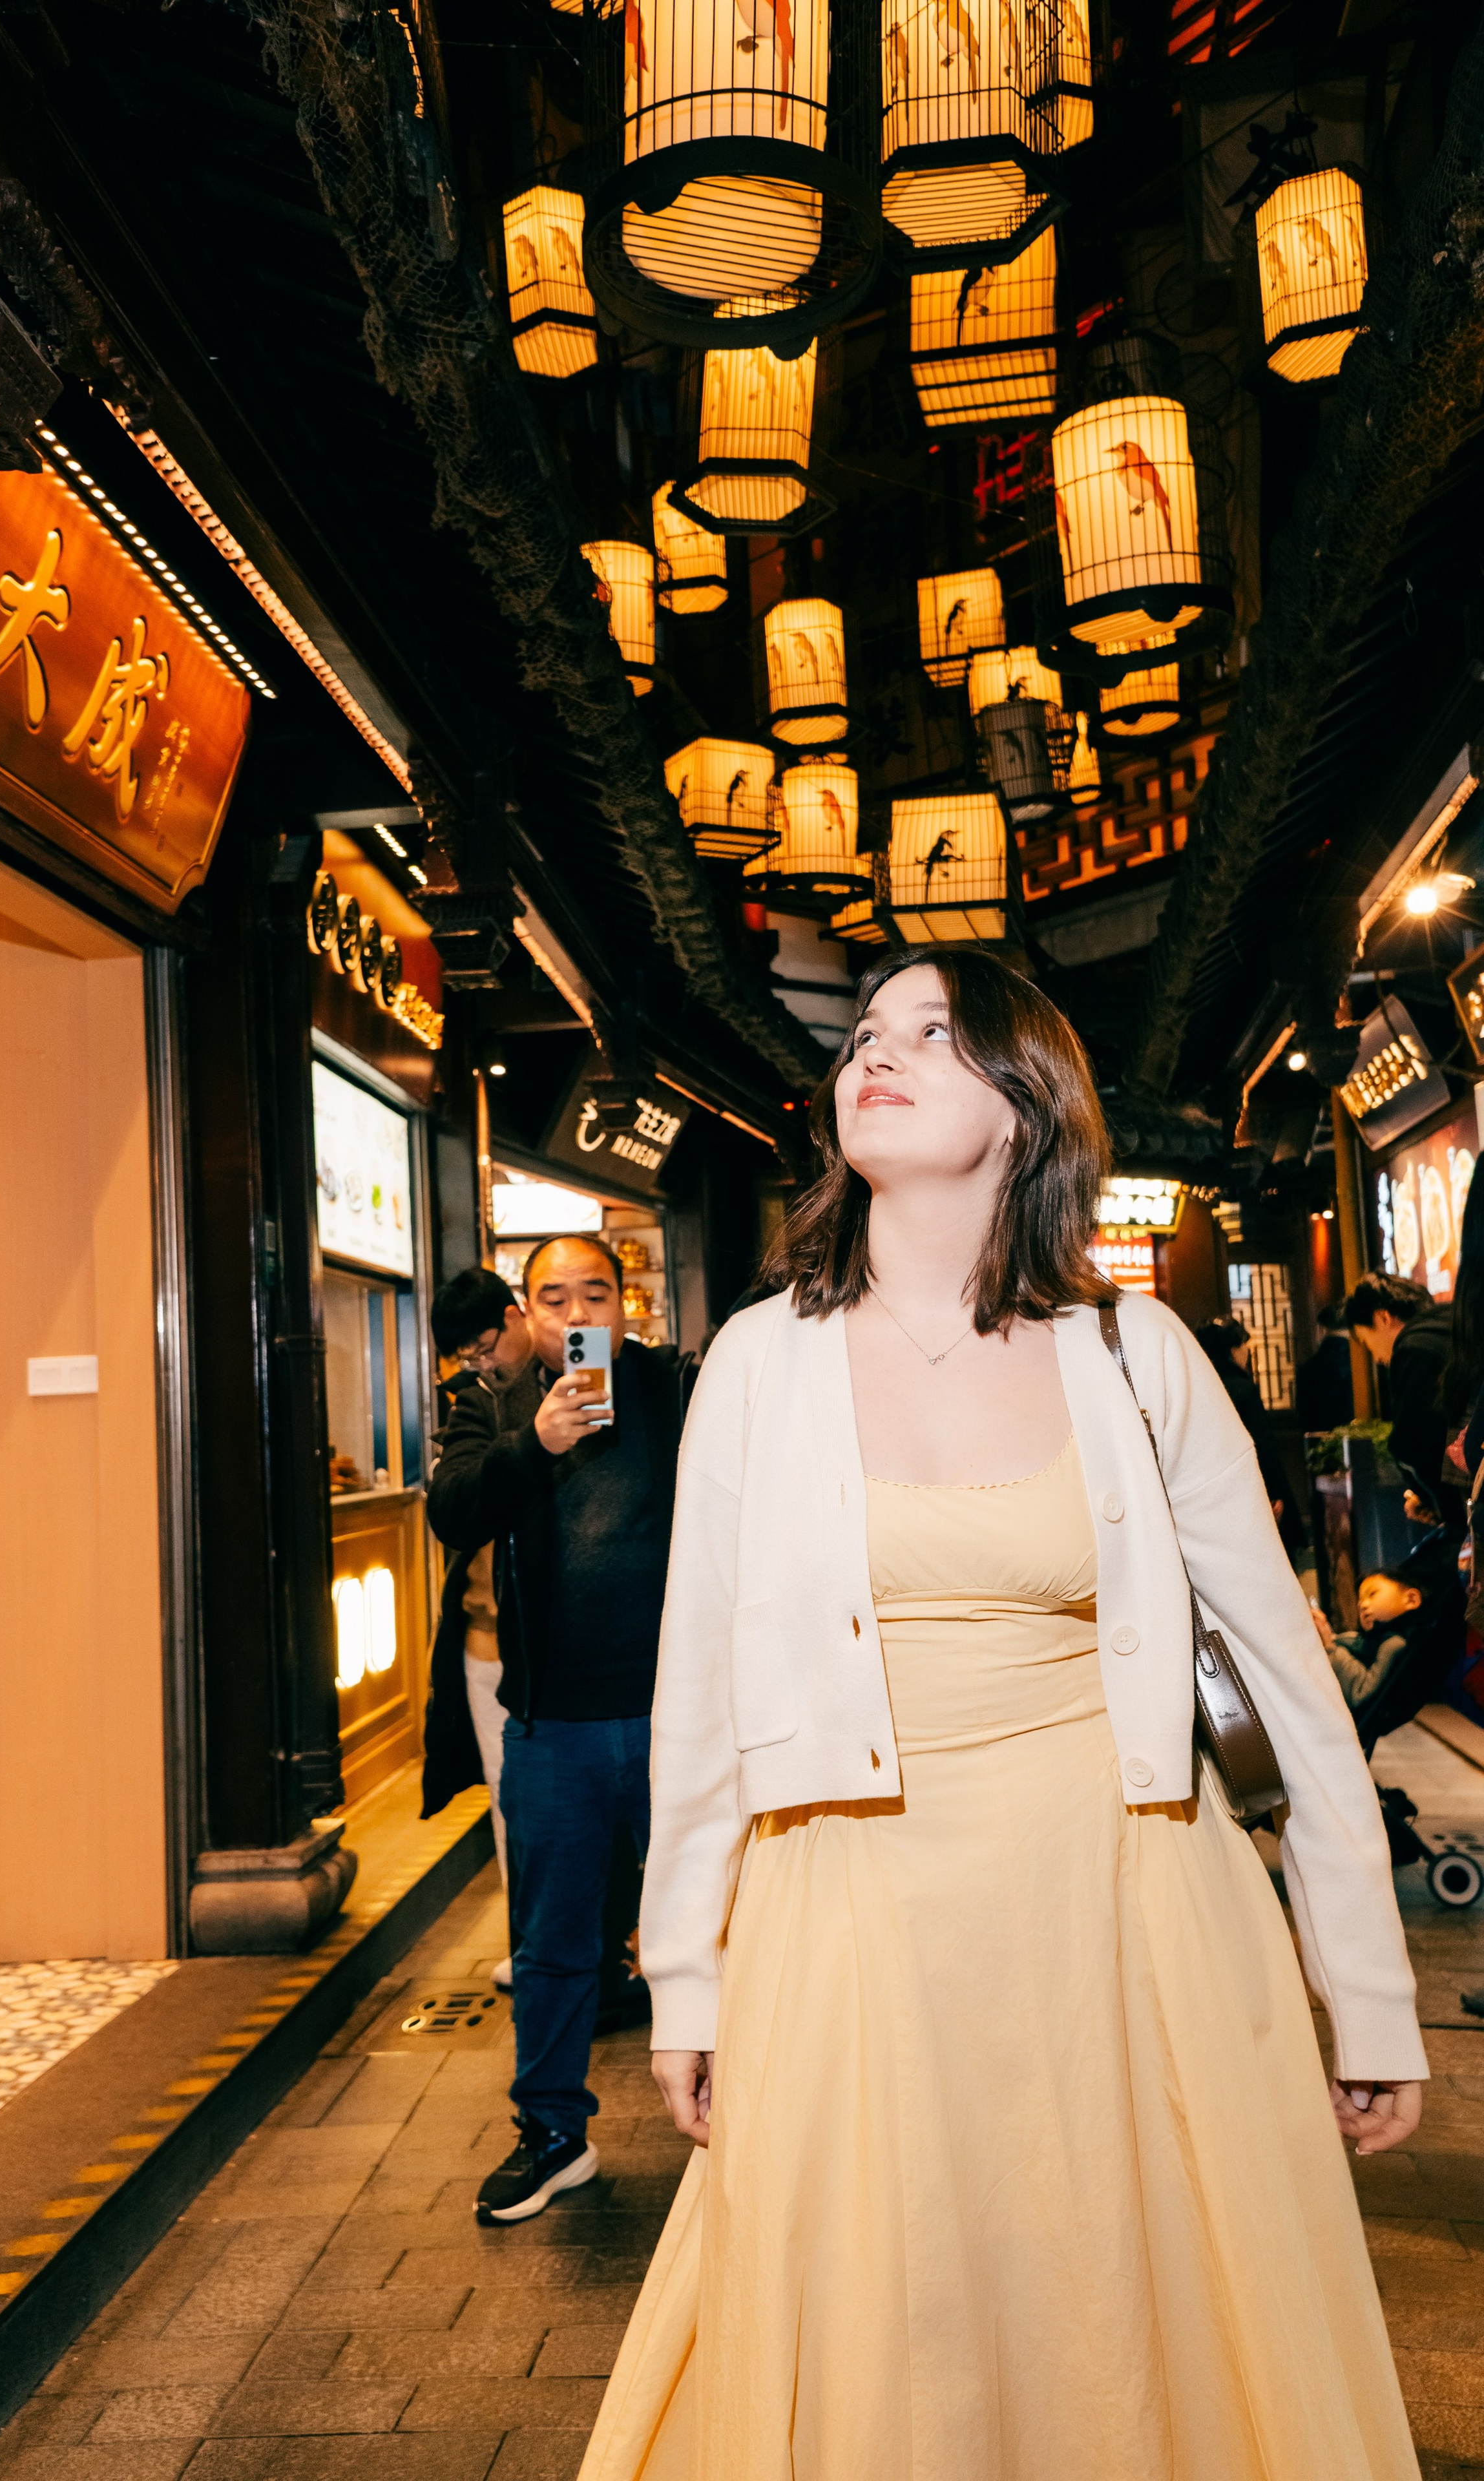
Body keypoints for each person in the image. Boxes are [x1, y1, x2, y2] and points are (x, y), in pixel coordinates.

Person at [582, 950, 1424, 2481]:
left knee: (1126, 2322)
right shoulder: (759, 1366)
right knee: (882, 2327)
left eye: (931, 1035)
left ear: (1025, 1103)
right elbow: (696, 1692)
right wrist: (686, 1977)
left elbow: (1281, 1686)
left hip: (1122, 1905)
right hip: (846, 1911)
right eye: (864, 1036)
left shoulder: (1133, 1355)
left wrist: (1359, 1983)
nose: (874, 1056)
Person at [426, 1232, 684, 2226]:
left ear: (627, 1305)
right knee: (552, 1943)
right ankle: (552, 2135)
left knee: (715, 1929)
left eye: (596, 1293)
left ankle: (762, 2116)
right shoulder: (490, 1405)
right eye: (554, 1298)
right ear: (526, 1316)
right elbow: (452, 1511)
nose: (578, 1314)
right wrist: (536, 1444)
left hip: (679, 1719)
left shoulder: (677, 1388)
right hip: (551, 1725)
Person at [421, 1266, 536, 1990]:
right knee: (510, 1802)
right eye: (465, 1356)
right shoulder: (474, 1408)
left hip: (566, 1644)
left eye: (484, 1345)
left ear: (514, 1315)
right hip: (486, 1645)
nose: (480, 1362)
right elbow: (453, 1506)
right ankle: (530, 1946)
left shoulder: (580, 1390)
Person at [1343, 1268, 1456, 1518]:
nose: (1377, 1358)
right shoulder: (1455, 1325)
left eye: (1367, 1341)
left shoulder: (1414, 1349)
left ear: (1383, 1318)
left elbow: (1414, 1445)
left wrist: (1429, 1499)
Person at [1195, 1312, 1304, 1552]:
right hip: (1251, 1490)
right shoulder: (1243, 1391)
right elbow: (1262, 1446)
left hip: (1213, 1497)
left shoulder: (1198, 1388)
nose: (1247, 1352)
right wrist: (1273, 1493)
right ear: (1233, 1350)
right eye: (1244, 1345)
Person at [1310, 1560, 1428, 1711]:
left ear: (1411, 1599)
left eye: (1372, 1594)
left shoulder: (1394, 1644)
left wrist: (1330, 1645)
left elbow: (1360, 1693)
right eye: (1360, 1602)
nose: (1363, 1605)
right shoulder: (1380, 1638)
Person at [1296, 1299, 1356, 1433]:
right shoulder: (1363, 1364)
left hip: (1323, 1442)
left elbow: (1304, 1418)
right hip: (1361, 1437)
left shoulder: (1309, 1368)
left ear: (1321, 1329)